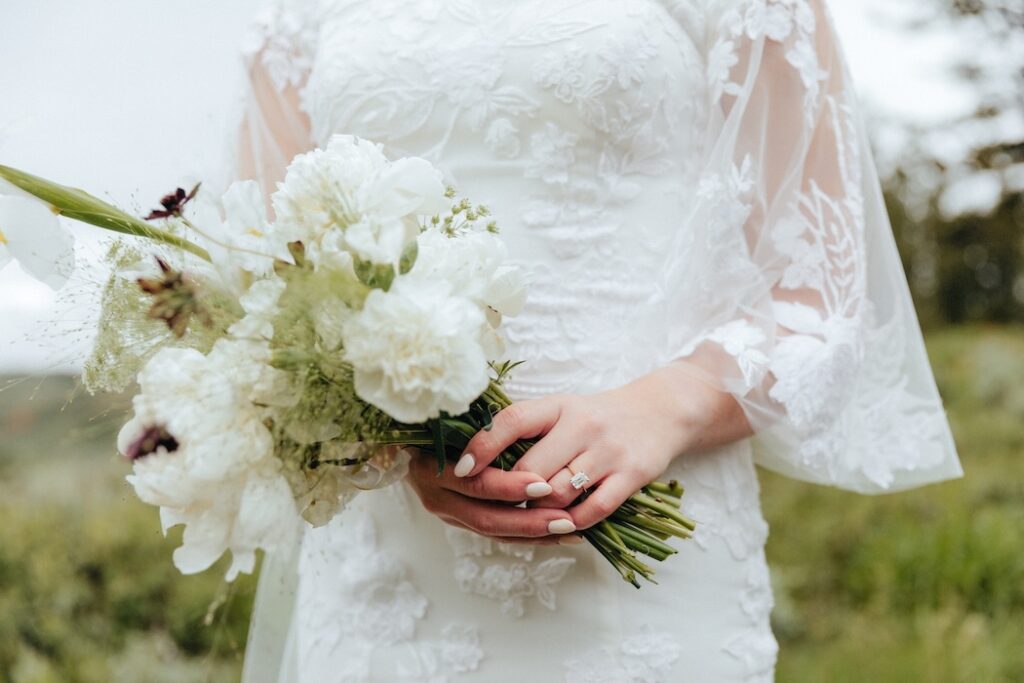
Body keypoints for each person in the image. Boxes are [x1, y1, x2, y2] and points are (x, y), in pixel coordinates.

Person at [236, 1, 963, 681]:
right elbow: (265, 286)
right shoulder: (296, 17)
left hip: (645, 545)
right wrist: (390, 437)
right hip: (388, 572)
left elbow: (816, 298)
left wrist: (665, 406)